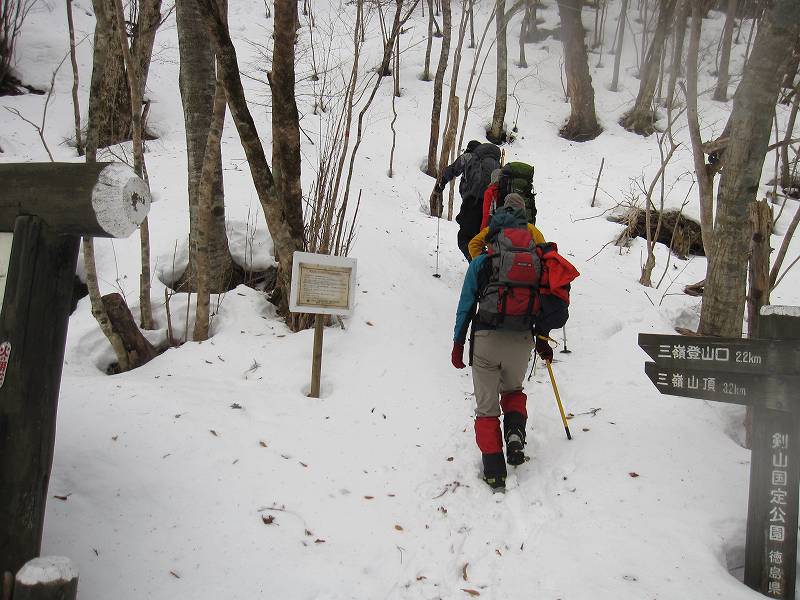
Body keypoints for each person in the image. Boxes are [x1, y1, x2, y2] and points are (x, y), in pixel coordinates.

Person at [451, 195, 554, 492]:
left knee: (486, 408)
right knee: (513, 391)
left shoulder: (483, 261)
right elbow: (548, 303)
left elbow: (466, 305)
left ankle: (495, 471)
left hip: (486, 340)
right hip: (522, 340)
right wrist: (543, 340)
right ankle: (515, 437)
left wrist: (458, 344)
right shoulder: (537, 260)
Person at [434, 141, 501, 261]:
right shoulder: (496, 163)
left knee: (464, 239)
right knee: (484, 239)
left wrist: (441, 183)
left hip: (473, 203)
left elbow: (452, 170)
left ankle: (480, 267)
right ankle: (487, 267)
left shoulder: (469, 156)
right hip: (493, 206)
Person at [469, 193, 544, 259]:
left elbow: (473, 244)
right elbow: (544, 249)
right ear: (522, 209)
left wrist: (482, 262)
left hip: (497, 271)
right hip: (526, 271)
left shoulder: (494, 227)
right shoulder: (529, 228)